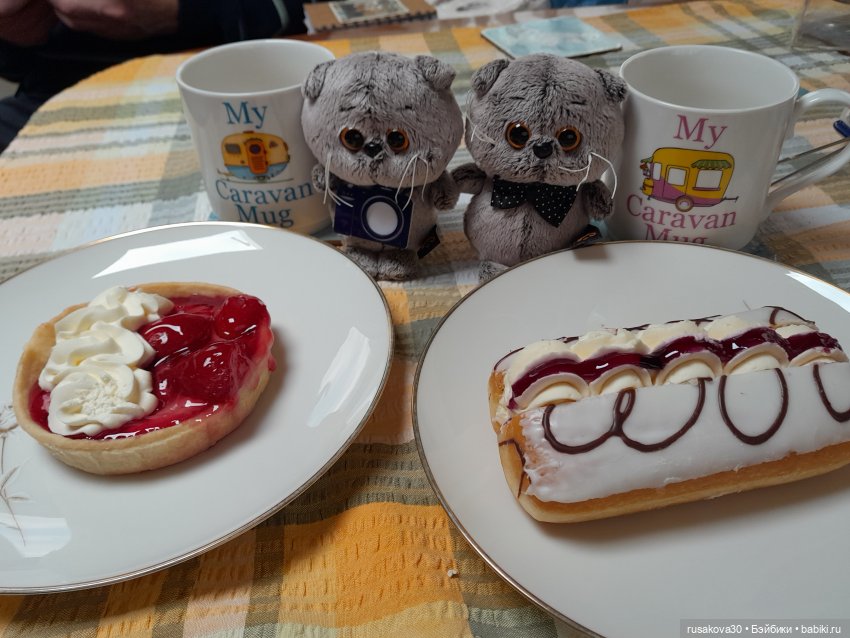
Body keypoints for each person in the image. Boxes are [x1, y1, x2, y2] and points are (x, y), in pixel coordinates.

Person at [0, 0, 307, 151]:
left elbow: (297, 13)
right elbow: (17, 66)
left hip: (230, 84)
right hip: (55, 97)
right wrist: (13, 35)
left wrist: (183, 11)